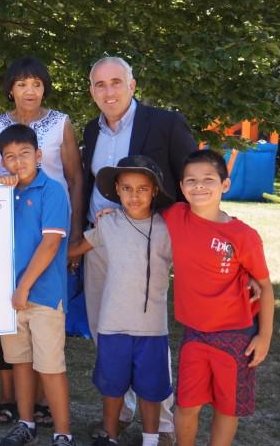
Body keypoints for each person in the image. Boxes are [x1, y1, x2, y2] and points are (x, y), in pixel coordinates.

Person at [80, 56, 197, 443]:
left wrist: (190, 239)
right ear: (92, 91)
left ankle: (161, 424)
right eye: (100, 84)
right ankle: (124, 408)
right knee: (105, 329)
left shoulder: (165, 123)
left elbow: (191, 181)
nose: (108, 91)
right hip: (100, 244)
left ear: (132, 85)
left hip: (149, 244)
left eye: (116, 82)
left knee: (149, 334)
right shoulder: (90, 131)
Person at [0, 56, 83, 427]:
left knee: (45, 335)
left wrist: (77, 231)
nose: (30, 90)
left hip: (49, 227)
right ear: (10, 87)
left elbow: (74, 176)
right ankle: (14, 403)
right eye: (22, 83)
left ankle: (45, 410)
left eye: (37, 83)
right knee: (11, 334)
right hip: (10, 227)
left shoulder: (60, 123)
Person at [163, 150, 273, 446]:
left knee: (227, 407)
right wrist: (108, 212)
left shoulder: (243, 235)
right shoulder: (174, 216)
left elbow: (265, 286)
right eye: (191, 181)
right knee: (187, 405)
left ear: (225, 185)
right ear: (182, 186)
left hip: (235, 335)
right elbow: (138, 208)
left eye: (208, 179)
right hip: (195, 334)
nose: (199, 186)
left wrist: (264, 336)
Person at [68, 156, 175, 446]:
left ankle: (151, 440)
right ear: (116, 189)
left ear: (155, 190)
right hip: (112, 324)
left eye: (142, 188)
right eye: (126, 188)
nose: (134, 195)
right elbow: (76, 249)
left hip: (152, 328)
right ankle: (110, 435)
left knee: (152, 389)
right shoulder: (108, 224)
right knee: (112, 386)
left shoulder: (169, 230)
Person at [0, 124, 73, 446]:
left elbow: (50, 244)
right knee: (20, 363)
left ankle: (63, 432)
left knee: (50, 366)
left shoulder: (52, 190)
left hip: (42, 295)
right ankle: (26, 423)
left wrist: (24, 287)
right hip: (8, 297)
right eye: (9, 157)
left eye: (24, 154)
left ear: (38, 154)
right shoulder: (2, 193)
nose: (18, 162)